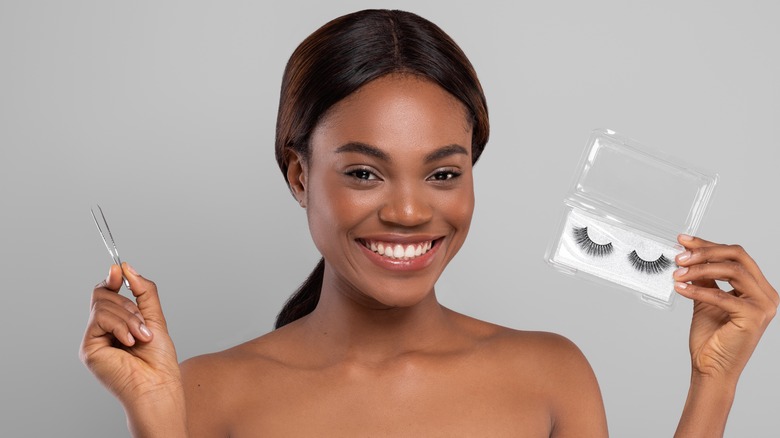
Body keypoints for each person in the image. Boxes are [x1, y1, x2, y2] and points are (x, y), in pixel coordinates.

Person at [79, 9, 778, 437]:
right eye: (363, 173)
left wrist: (714, 382)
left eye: (444, 173)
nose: (411, 211)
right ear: (299, 176)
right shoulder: (204, 393)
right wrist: (154, 414)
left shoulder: (550, 376)